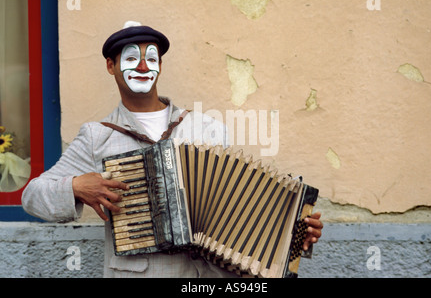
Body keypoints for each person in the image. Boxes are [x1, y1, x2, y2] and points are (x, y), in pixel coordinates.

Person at [22, 21, 323, 278]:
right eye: (131, 58)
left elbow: (239, 207)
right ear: (111, 65)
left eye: (151, 58)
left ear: (160, 66)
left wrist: (295, 233)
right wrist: (75, 186)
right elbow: (32, 196)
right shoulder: (96, 136)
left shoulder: (206, 128)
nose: (142, 66)